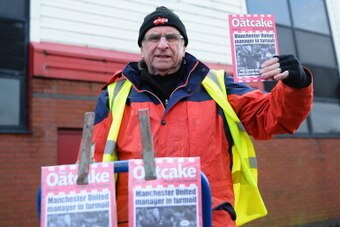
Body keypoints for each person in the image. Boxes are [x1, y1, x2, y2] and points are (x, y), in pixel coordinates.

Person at [91, 6, 313, 227]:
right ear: (141, 47)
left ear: (184, 45)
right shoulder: (114, 96)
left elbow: (271, 118)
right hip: (136, 220)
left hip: (208, 218)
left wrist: (296, 85)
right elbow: (95, 165)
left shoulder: (218, 86)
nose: (162, 45)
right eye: (153, 38)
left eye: (171, 37)